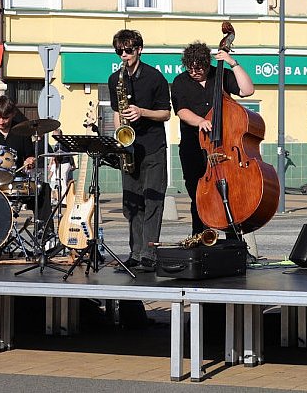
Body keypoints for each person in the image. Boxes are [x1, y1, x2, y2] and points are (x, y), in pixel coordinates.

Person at [170, 41, 254, 236]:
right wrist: (200, 121)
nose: (194, 72)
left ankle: (235, 243)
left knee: (229, 196)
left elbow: (247, 90)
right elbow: (181, 111)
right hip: (193, 148)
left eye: (198, 68)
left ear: (207, 64)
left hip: (224, 148)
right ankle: (200, 238)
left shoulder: (221, 74)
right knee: (199, 195)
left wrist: (232, 63)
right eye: (190, 68)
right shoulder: (180, 81)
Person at [107, 29, 171, 271]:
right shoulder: (115, 80)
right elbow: (116, 111)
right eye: (119, 51)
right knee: (131, 203)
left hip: (153, 147)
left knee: (153, 201)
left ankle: (150, 253)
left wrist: (141, 112)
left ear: (139, 50)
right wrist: (120, 136)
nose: (124, 55)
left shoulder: (155, 78)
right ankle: (135, 252)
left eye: (128, 50)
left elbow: (165, 113)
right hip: (129, 148)